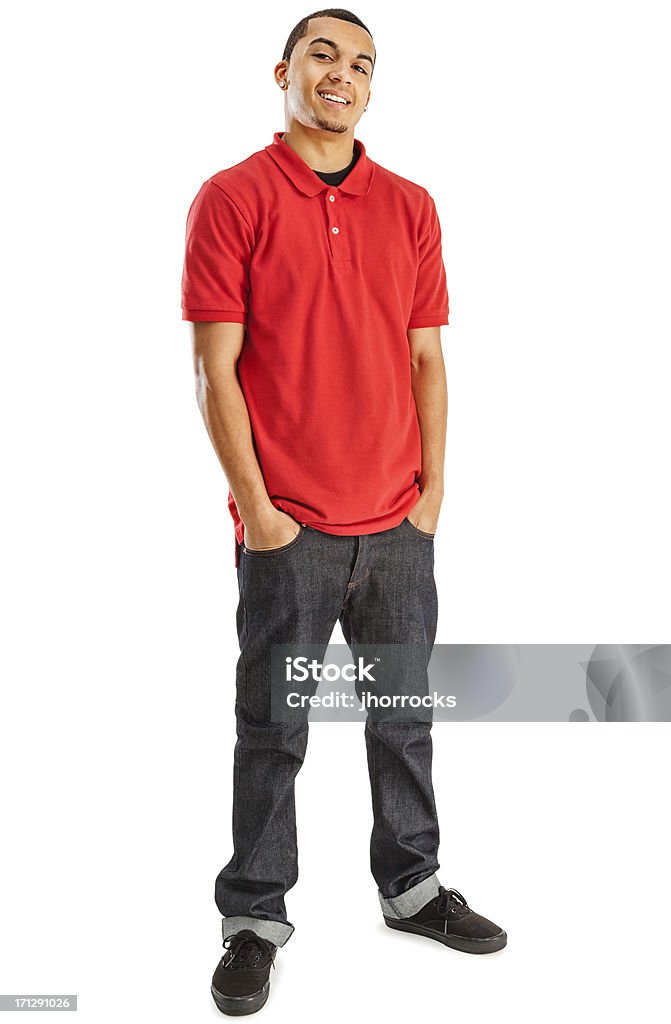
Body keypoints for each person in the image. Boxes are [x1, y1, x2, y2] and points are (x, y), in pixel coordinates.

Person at [181, 8, 507, 1015]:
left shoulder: (408, 205)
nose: (341, 73)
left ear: (371, 87)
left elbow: (425, 358)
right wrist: (258, 511)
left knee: (402, 717)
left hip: (397, 524)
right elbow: (214, 367)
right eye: (322, 53)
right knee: (273, 726)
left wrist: (432, 493)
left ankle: (410, 886)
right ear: (282, 70)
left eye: (360, 63)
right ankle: (254, 916)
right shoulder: (232, 197)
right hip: (290, 530)